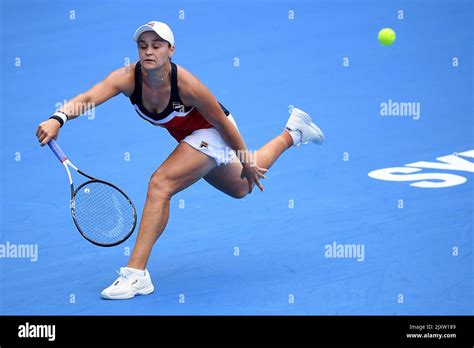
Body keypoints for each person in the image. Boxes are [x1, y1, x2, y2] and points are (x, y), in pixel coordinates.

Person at [35, 21, 324, 300]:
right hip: (190, 138)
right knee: (240, 188)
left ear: (171, 50)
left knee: (160, 183)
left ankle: (136, 273)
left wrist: (245, 157)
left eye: (157, 45)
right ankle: (294, 132)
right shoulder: (127, 78)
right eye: (143, 45)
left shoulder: (186, 85)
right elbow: (89, 97)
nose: (149, 51)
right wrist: (58, 118)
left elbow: (223, 124)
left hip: (214, 131)